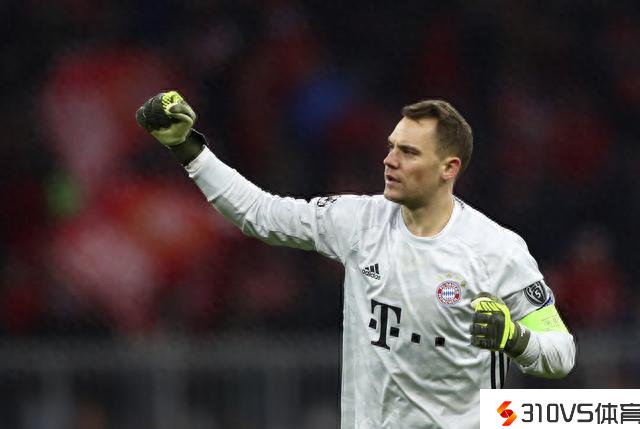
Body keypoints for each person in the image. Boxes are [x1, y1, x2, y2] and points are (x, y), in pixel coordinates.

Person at [136, 91, 576, 429]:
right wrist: (187, 148)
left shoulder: (497, 250)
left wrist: (514, 338)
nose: (389, 160)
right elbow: (260, 213)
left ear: (449, 168)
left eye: (408, 152)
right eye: (391, 146)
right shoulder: (358, 222)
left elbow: (561, 354)